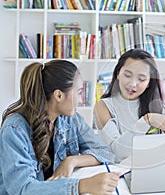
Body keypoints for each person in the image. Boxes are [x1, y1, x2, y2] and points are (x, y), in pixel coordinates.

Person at [0, 60, 120, 195]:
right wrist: (81, 186)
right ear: (59, 95)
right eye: (79, 92)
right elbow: (23, 189)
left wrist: (71, 161)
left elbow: (106, 153)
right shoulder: (14, 130)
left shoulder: (71, 120)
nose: (81, 101)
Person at [94, 49, 165, 163]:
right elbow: (116, 154)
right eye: (127, 75)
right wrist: (146, 121)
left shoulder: (157, 107)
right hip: (120, 173)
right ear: (118, 73)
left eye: (141, 79)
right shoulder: (103, 107)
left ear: (149, 82)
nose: (132, 84)